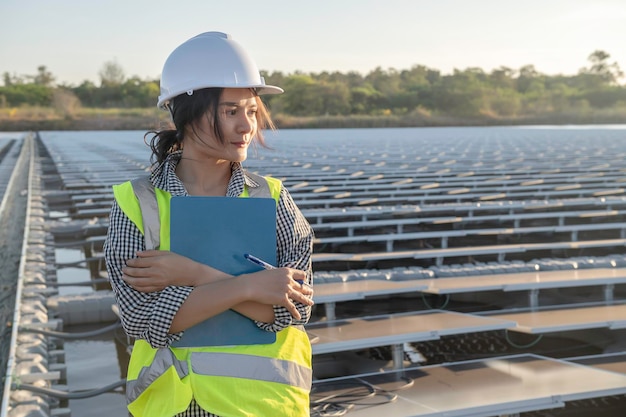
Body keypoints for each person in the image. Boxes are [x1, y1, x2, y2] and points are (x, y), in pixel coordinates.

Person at [103, 31, 315, 417]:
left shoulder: (273, 199)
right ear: (186, 114)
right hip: (172, 405)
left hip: (266, 405)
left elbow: (288, 310)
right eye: (230, 111)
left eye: (251, 110)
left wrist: (191, 273)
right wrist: (253, 287)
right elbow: (142, 319)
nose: (247, 125)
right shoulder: (138, 203)